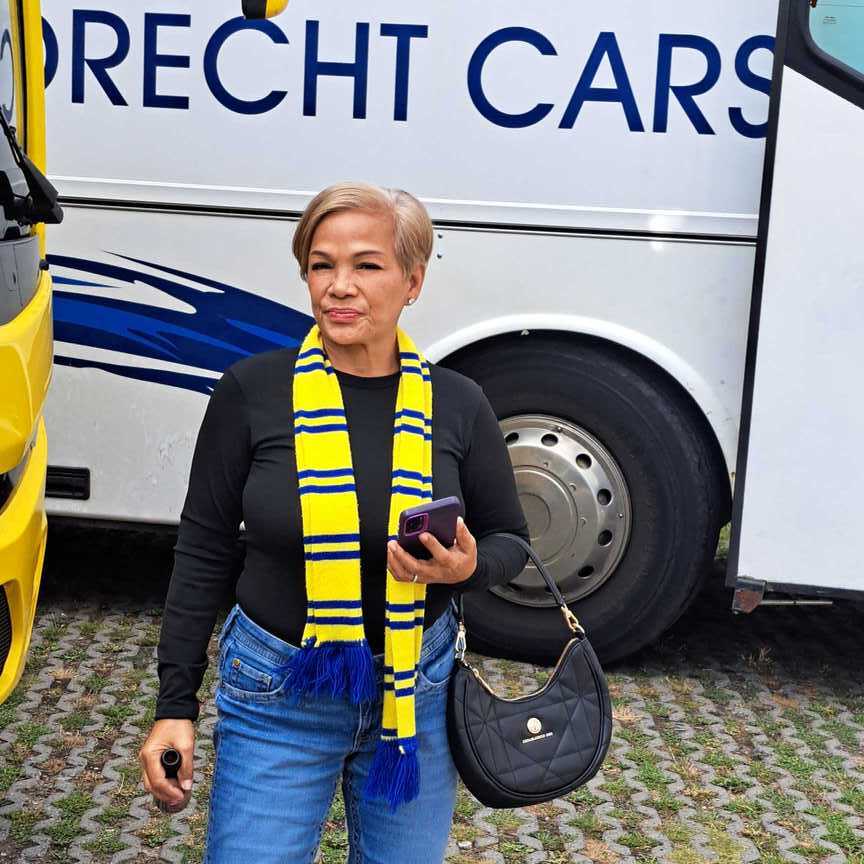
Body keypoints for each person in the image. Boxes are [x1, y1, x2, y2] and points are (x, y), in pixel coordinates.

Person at [138, 182, 530, 863]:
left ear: (413, 282)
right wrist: (175, 704)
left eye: (366, 265)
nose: (339, 286)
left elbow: (511, 540)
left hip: (414, 692)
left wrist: (468, 568)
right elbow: (202, 549)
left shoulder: (458, 403)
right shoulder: (252, 391)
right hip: (276, 691)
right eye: (321, 265)